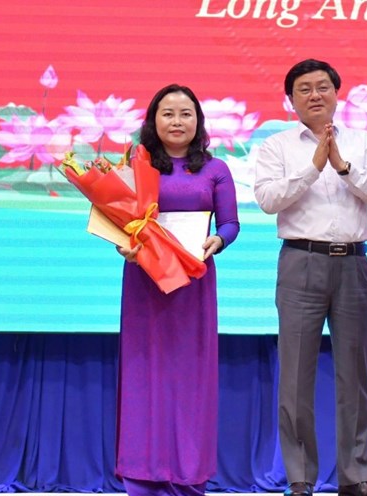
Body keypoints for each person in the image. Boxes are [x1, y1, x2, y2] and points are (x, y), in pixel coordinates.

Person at [253, 59, 367, 496]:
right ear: (290, 99)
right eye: (305, 89)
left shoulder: (363, 141)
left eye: (324, 87)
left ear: (337, 92)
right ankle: (300, 478)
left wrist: (343, 167)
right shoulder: (276, 145)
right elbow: (268, 200)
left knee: (355, 375)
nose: (316, 95)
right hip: (300, 262)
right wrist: (314, 166)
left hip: (353, 264)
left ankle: (357, 477)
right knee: (295, 376)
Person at [114, 83, 240, 496]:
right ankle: (141, 475)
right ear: (153, 121)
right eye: (168, 113)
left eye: (186, 114)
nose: (177, 121)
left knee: (191, 378)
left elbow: (230, 224)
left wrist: (217, 241)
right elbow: (120, 219)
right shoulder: (138, 167)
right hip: (145, 282)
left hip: (193, 281)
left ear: (198, 122)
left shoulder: (216, 169)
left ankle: (188, 474)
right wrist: (125, 245)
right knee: (143, 372)